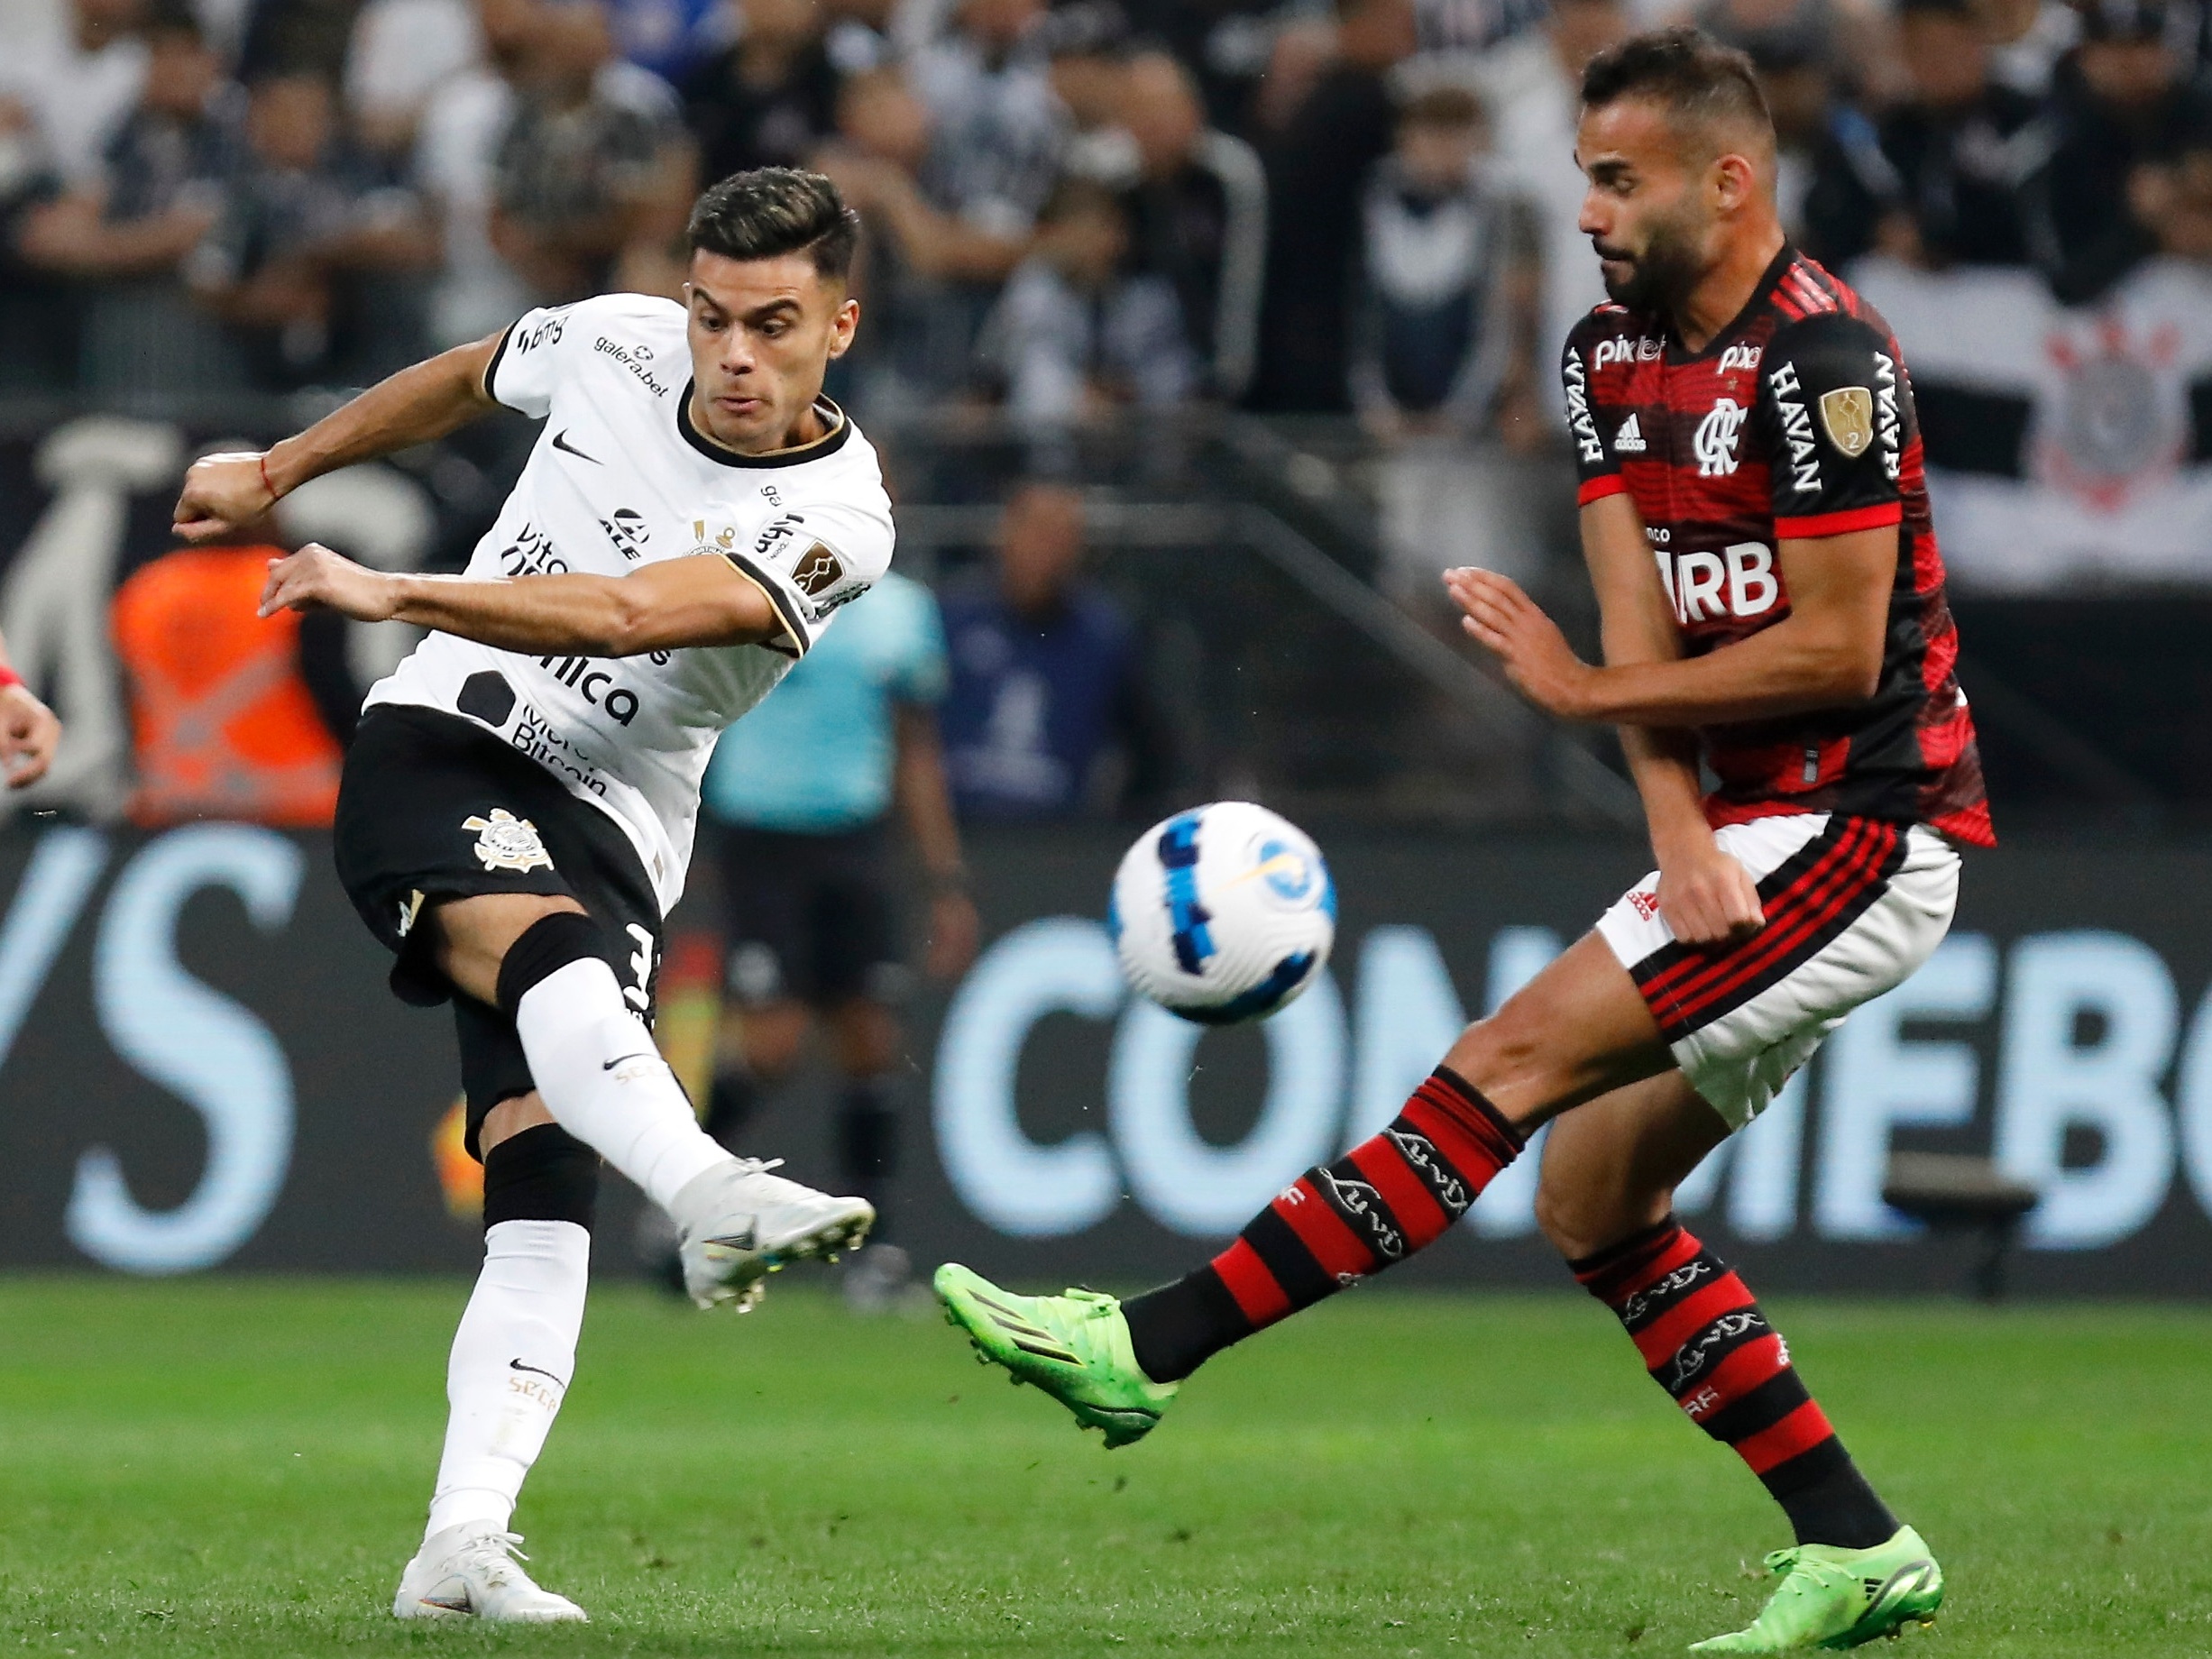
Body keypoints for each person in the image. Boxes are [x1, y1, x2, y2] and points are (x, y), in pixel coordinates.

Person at [937, 30, 1990, 1654]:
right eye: (1582, 177)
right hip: (1739, 825)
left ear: (1726, 180)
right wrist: (1669, 822)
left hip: (1867, 812)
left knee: (1499, 1061)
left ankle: (1146, 1346)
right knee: (1590, 1204)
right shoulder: (1601, 357)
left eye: (1617, 179)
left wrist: (1581, 694)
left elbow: (1843, 653)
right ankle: (1856, 1545)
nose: (1586, 211)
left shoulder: (1827, 364)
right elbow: (1636, 609)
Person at [170, 167, 891, 1624]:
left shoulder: (838, 517)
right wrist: (279, 470)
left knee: (540, 1173)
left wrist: (398, 588)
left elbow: (635, 614)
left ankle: (460, 1544)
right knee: (550, 957)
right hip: (446, 739)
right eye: (710, 318)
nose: (730, 355)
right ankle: (709, 1194)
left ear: (839, 329)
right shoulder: (617, 341)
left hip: (621, 817)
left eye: (771, 323)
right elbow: (463, 376)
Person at [694, 567, 978, 1307]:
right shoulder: (745, 583)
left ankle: (871, 1248)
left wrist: (944, 880)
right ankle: (688, 1210)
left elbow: (916, 748)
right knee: (771, 1044)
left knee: (870, 1041)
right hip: (760, 835)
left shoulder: (906, 611)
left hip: (854, 839)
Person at [936, 480, 1178, 820]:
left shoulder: (1103, 636)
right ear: (1004, 536)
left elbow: (1152, 748)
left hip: (1057, 839)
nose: (1046, 551)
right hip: (961, 826)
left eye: (1061, 538)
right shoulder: (949, 619)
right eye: (1036, 533)